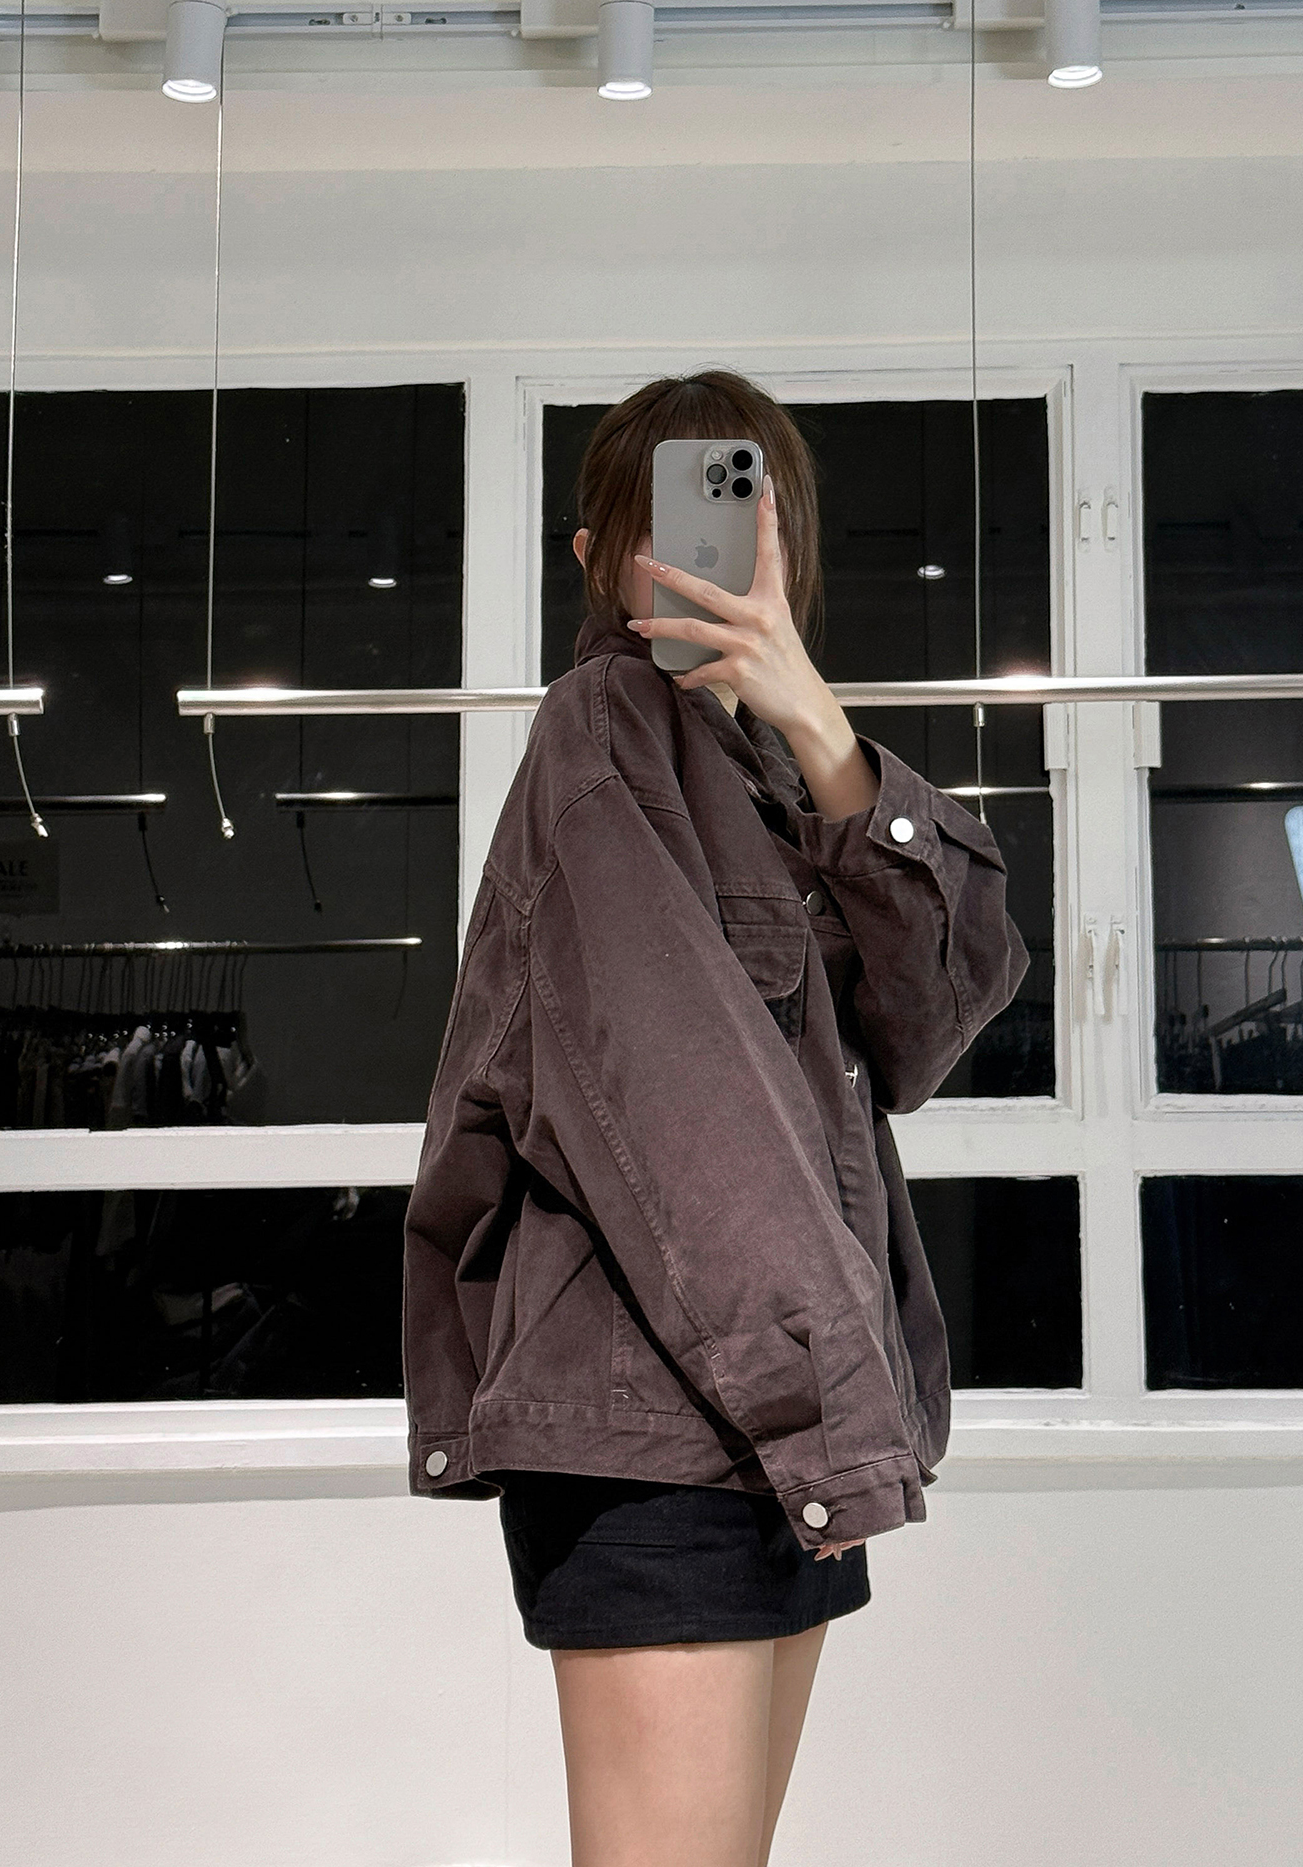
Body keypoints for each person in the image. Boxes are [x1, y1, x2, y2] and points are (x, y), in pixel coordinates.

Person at [402, 369, 1029, 1867]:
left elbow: (939, 1014)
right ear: (593, 561)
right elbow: (685, 1112)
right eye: (660, 531)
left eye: (742, 527)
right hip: (657, 1431)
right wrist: (832, 1411)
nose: (704, 564)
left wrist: (825, 734)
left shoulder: (775, 777)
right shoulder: (600, 732)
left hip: (759, 1429)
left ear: (786, 549)